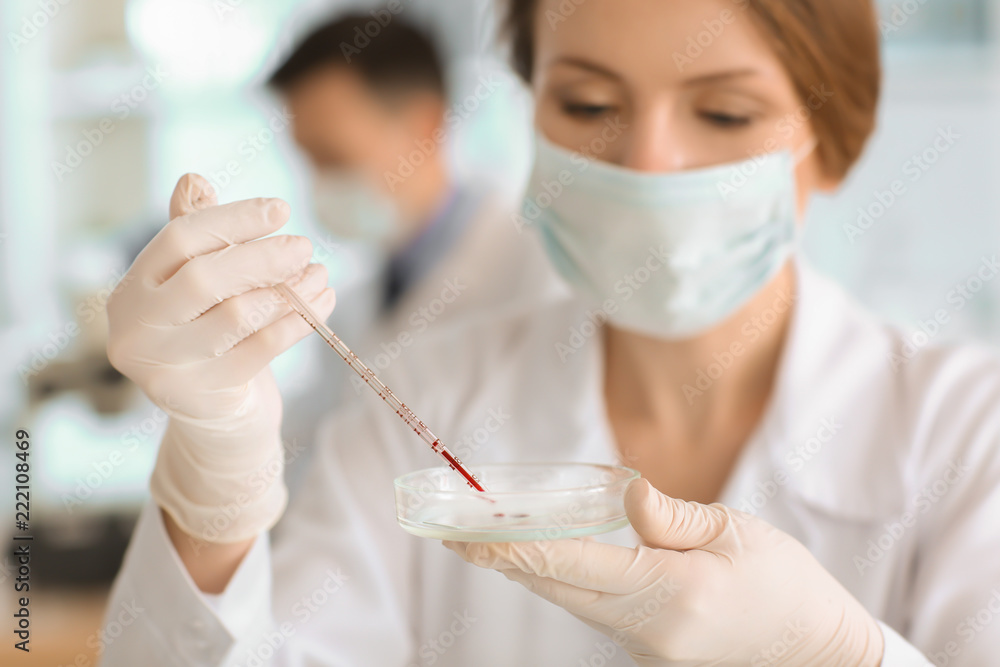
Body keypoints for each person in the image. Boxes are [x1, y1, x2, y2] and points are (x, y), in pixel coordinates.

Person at [102, 0, 999, 665]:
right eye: (586, 104)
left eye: (724, 113)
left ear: (833, 143)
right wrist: (212, 481)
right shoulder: (417, 399)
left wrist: (844, 654)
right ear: (529, 119)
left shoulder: (969, 429)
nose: (650, 161)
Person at [264, 14, 559, 464]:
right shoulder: (355, 307)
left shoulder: (536, 271)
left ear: (423, 126)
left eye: (334, 156)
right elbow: (305, 451)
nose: (319, 183)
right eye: (308, 160)